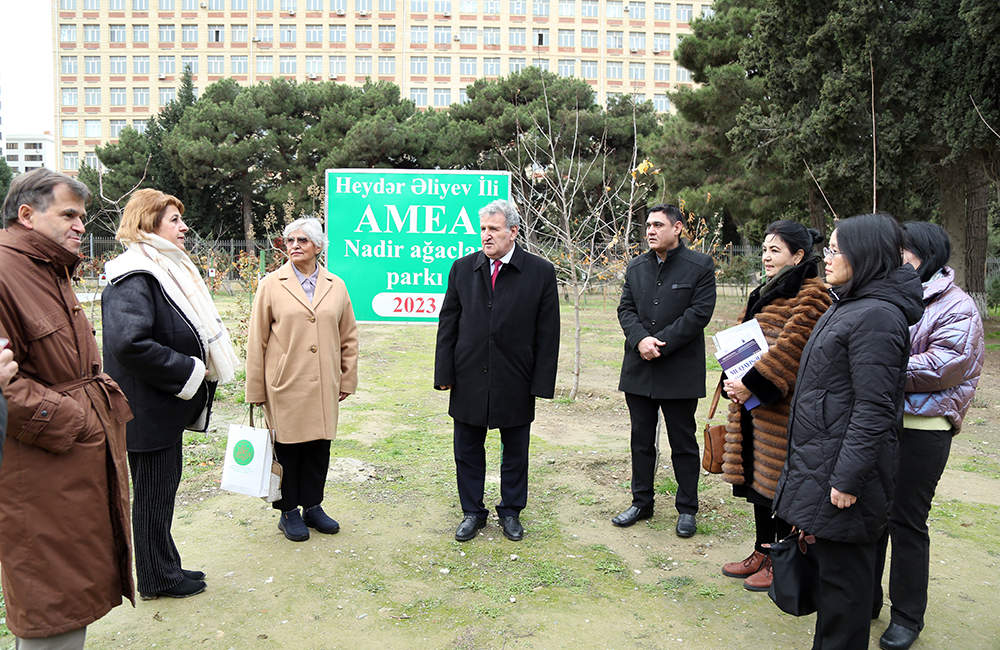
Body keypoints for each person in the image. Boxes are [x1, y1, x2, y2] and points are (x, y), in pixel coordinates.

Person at [773, 213, 924, 650]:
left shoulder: (877, 316)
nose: (828, 257)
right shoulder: (851, 303)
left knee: (846, 593)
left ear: (866, 255)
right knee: (836, 585)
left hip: (845, 474)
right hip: (825, 460)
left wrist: (846, 478)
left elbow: (874, 410)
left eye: (836, 250)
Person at [0, 168, 135, 649]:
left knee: (70, 595)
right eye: (69, 215)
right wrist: (71, 419)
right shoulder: (5, 271)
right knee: (50, 603)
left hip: (69, 465)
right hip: (37, 468)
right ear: (27, 215)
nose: (81, 226)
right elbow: (5, 386)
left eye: (83, 216)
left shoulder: (49, 269)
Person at [102, 189, 239, 600]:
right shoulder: (135, 274)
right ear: (148, 223)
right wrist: (191, 369)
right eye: (175, 220)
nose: (184, 227)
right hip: (146, 409)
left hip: (160, 406)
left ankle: (164, 567)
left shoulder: (160, 267)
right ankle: (158, 579)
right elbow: (130, 343)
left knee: (160, 495)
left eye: (181, 218)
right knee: (152, 498)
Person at [874, 222, 984, 650]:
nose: (894, 259)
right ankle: (867, 600)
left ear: (926, 255)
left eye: (902, 252)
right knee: (871, 517)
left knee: (906, 521)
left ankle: (907, 616)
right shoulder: (887, 296)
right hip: (881, 423)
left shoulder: (957, 306)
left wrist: (878, 365)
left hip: (924, 428)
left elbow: (944, 366)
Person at [434, 199, 560, 543]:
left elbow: (548, 333)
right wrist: (443, 373)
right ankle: (472, 512)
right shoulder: (462, 269)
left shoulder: (540, 272)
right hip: (469, 375)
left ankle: (511, 511)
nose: (486, 236)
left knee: (515, 451)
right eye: (483, 229)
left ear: (513, 232)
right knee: (467, 449)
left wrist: (541, 383)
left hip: (516, 377)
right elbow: (448, 324)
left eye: (493, 229)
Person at [720, 221, 831, 591]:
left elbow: (793, 348)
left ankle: (782, 560)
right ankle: (761, 551)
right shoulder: (766, 291)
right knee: (757, 485)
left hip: (782, 411)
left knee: (780, 487)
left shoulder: (812, 295)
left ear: (798, 256)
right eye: (765, 249)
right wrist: (730, 382)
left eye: (775, 250)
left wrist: (750, 384)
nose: (766, 257)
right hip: (752, 409)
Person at [246, 217, 358, 542]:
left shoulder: (336, 285)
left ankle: (313, 506)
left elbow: (348, 336)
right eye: (290, 241)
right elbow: (258, 340)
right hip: (283, 384)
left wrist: (346, 380)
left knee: (318, 449)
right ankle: (288, 511)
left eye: (302, 241)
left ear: (318, 247)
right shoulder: (271, 284)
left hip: (324, 384)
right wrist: (255, 389)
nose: (294, 246)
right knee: (287, 451)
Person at [614, 203, 716, 537]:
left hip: (679, 370)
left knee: (682, 442)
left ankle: (687, 508)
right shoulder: (636, 267)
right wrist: (641, 340)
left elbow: (699, 314)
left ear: (678, 228)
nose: (651, 231)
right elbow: (626, 309)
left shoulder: (699, 265)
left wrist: (660, 343)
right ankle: (641, 502)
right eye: (647, 226)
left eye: (658, 225)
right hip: (639, 368)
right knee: (641, 440)